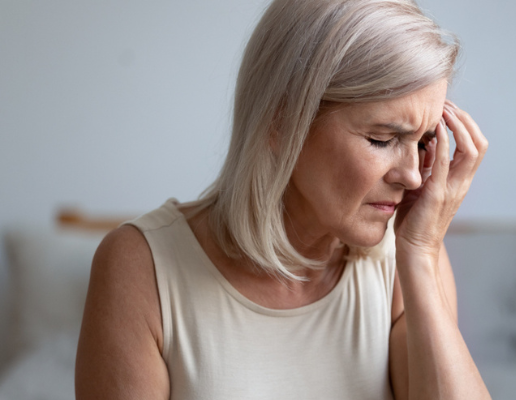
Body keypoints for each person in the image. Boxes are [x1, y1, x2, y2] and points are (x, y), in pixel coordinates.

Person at [75, 0, 490, 398]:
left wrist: (419, 253)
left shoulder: (406, 263)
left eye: (424, 141)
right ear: (282, 121)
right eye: (383, 139)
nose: (413, 175)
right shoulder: (141, 266)